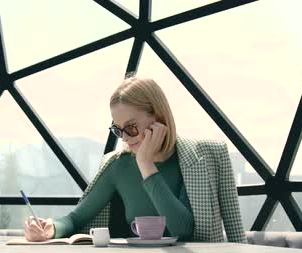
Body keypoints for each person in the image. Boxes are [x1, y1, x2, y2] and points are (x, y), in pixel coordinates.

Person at [24, 76, 247, 243]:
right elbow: (75, 219)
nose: (126, 138)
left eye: (131, 127)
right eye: (118, 130)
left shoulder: (200, 159)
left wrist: (146, 165)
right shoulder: (118, 165)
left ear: (158, 118)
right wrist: (50, 228)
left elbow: (183, 229)